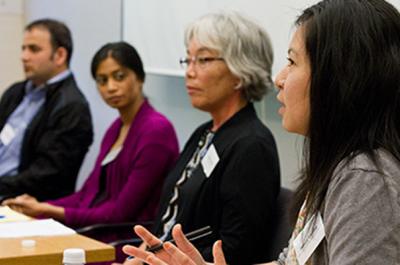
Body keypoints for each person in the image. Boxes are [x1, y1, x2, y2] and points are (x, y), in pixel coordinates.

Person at [124, 0, 400, 264]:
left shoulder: (365, 177)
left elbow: (241, 245)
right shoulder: (339, 167)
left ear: (339, 76)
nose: (279, 79)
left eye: (292, 62)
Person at [113, 12, 281, 265]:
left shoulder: (251, 145)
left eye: (202, 60)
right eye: (188, 60)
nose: (189, 72)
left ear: (239, 70)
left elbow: (237, 250)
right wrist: (140, 256)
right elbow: (169, 219)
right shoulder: (205, 132)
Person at [3, 41, 180, 262]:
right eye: (102, 80)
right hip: (94, 233)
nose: (111, 87)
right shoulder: (116, 128)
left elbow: (120, 213)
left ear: (140, 77)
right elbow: (86, 195)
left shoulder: (156, 130)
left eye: (119, 76)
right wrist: (39, 207)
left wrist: (48, 210)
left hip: (123, 244)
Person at [0, 19, 93, 202]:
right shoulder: (15, 92)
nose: (24, 56)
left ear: (59, 55)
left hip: (24, 205)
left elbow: (46, 175)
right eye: (23, 48)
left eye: (34, 49)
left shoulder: (73, 107)